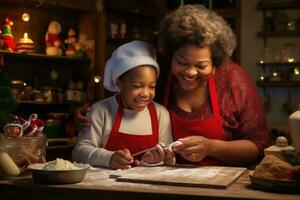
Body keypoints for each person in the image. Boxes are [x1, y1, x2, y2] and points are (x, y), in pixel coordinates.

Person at [75, 5, 271, 167]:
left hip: (223, 182)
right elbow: (119, 98)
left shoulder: (234, 80)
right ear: (170, 55)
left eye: (201, 65)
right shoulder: (157, 77)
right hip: (167, 181)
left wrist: (211, 147)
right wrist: (87, 113)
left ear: (215, 62)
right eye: (182, 62)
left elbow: (259, 144)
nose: (190, 72)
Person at [72, 40, 174, 170]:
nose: (145, 93)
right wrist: (109, 158)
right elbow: (79, 152)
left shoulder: (161, 114)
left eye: (152, 86)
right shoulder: (100, 111)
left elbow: (168, 158)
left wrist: (155, 160)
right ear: (119, 82)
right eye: (137, 86)